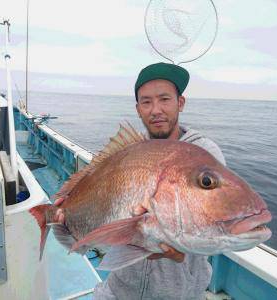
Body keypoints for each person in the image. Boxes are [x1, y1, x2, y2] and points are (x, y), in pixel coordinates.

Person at [93, 62, 226, 300]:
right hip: (119, 290)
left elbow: (213, 225)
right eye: (146, 102)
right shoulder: (128, 152)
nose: (156, 110)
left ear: (180, 103)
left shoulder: (203, 153)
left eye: (164, 99)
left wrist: (181, 252)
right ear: (138, 109)